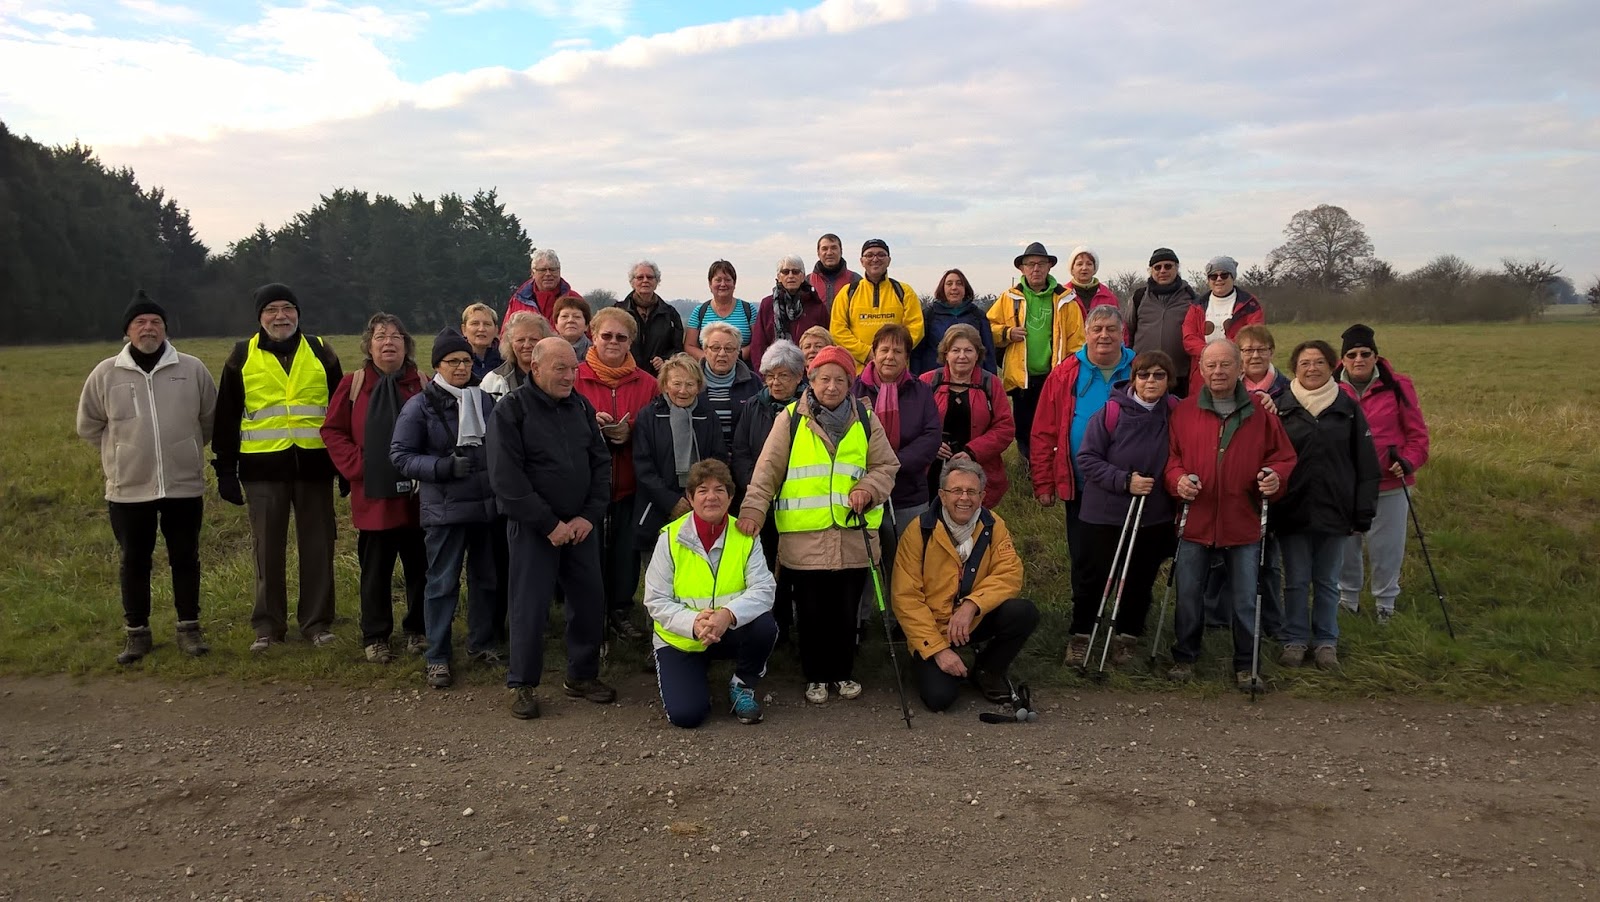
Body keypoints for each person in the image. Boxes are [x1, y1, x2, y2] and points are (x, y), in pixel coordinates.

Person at [736, 345, 899, 704]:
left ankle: (843, 673)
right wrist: (752, 511)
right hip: (803, 539)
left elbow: (887, 466)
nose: (831, 386)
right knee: (810, 614)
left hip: (853, 536)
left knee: (845, 611)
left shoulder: (867, 420)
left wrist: (868, 489)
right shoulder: (791, 418)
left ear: (850, 383)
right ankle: (815, 676)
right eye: (824, 378)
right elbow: (767, 471)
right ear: (811, 380)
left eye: (839, 379)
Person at [76, 290, 218, 664]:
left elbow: (210, 421)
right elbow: (89, 425)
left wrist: (185, 450)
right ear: (128, 331)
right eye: (140, 322)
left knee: (185, 558)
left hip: (183, 485)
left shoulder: (192, 368)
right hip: (128, 489)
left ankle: (189, 628)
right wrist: (121, 456)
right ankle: (137, 634)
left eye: (155, 322)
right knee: (134, 560)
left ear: (166, 329)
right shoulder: (106, 373)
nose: (148, 328)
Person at [487, 338, 616, 719]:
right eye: (560, 368)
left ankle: (582, 675)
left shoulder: (580, 406)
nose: (569, 375)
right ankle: (522, 683)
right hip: (533, 529)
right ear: (535, 367)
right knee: (530, 606)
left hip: (579, 528)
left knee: (590, 601)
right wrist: (548, 523)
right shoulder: (511, 410)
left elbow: (600, 464)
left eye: (573, 368)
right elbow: (506, 478)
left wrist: (588, 517)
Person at [213, 283, 343, 652]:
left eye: (287, 308)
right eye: (271, 310)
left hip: (315, 467)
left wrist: (346, 467)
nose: (280, 316)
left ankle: (317, 624)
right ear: (260, 317)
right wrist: (225, 470)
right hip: (262, 471)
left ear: (298, 313)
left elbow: (341, 412)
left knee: (318, 548)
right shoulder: (241, 356)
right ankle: (268, 628)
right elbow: (226, 417)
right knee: (266, 551)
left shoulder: (321, 352)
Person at [1165, 340, 1297, 690]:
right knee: (1189, 595)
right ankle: (1185, 658)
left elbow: (1283, 457)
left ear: (1240, 369)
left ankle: (1246, 664)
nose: (1218, 372)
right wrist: (1177, 480)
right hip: (1196, 519)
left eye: (1225, 365)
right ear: (1201, 370)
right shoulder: (1184, 410)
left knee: (1244, 598)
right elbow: (1172, 458)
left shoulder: (1260, 412)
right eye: (1211, 366)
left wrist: (1275, 477)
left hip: (1244, 520)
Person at [389, 330, 501, 689]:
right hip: (445, 511)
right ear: (437, 365)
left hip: (485, 508)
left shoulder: (483, 400)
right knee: (441, 583)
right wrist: (441, 468)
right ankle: (436, 655)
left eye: (466, 361)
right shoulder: (420, 405)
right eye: (453, 361)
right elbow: (400, 456)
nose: (461, 367)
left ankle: (481, 644)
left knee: (486, 580)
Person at [322, 313, 428, 664]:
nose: (388, 342)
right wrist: (359, 465)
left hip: (417, 500)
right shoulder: (353, 384)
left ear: (406, 344)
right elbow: (332, 431)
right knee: (375, 572)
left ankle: (419, 630)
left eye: (396, 336)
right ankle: (376, 635)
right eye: (381, 336)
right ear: (369, 344)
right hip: (373, 500)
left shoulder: (423, 384)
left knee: (420, 569)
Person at [892, 459, 1037, 711]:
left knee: (1023, 612)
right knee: (940, 699)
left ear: (982, 496)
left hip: (971, 620)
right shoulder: (919, 531)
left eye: (971, 491)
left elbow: (1010, 573)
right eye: (956, 491)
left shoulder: (994, 525)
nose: (964, 498)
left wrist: (972, 604)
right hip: (933, 628)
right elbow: (906, 598)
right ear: (942, 495)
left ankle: (987, 670)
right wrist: (938, 651)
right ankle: (927, 660)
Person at [644, 459, 778, 728]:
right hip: (680, 639)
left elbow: (764, 589)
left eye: (719, 490)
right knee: (687, 716)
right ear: (690, 498)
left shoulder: (746, 536)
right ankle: (695, 671)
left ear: (731, 497)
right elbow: (655, 600)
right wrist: (694, 623)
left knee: (765, 626)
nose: (711, 497)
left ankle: (742, 685)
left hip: (727, 629)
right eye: (702, 490)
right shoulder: (669, 538)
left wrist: (727, 615)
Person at [1274, 340, 1380, 670]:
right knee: (1294, 580)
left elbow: (1366, 465)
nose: (1312, 368)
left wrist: (1363, 511)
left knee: (1326, 581)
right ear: (1295, 368)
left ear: (1332, 366)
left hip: (1335, 509)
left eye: (1319, 362)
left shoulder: (1348, 407)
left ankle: (1325, 642)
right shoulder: (1281, 406)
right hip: (1292, 508)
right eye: (1305, 363)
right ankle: (1294, 639)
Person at [1030, 305, 1135, 639]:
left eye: (1111, 329)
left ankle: (1122, 623)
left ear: (1123, 333)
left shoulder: (1141, 368)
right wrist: (1044, 481)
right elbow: (1044, 430)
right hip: (1080, 482)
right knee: (1084, 555)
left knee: (1126, 555)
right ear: (1086, 333)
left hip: (1129, 485)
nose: (1104, 335)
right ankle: (1084, 626)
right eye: (1097, 329)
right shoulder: (1065, 373)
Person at [1070, 350, 1180, 666]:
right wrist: (1124, 481)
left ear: (1168, 380)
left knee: (1140, 579)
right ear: (1133, 378)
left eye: (1159, 375)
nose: (1150, 381)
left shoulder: (1175, 411)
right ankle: (1081, 636)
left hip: (1153, 513)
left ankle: (1127, 638)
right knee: (1093, 577)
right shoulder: (1110, 413)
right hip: (1104, 512)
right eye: (1144, 374)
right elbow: (1087, 460)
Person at [1334, 324, 1430, 624]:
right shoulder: (1330, 386)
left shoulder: (1398, 386)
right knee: (1346, 545)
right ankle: (1347, 600)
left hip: (1389, 482)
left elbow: (1418, 437)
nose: (1358, 360)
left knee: (1386, 547)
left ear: (1376, 356)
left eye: (1365, 353)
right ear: (1343, 359)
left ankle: (1385, 604)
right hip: (1346, 481)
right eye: (1351, 354)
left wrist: (1408, 461)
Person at [573, 307, 659, 640]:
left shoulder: (648, 383)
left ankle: (620, 610)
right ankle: (590, 615)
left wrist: (633, 430)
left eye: (621, 337)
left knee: (625, 554)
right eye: (606, 335)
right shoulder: (575, 376)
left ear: (631, 342)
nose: (613, 342)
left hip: (629, 483)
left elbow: (657, 426)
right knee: (587, 555)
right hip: (586, 487)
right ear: (592, 336)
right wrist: (588, 426)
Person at [731, 339, 806, 638]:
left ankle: (794, 623)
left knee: (793, 564)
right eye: (770, 376)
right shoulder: (754, 405)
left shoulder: (807, 409)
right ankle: (771, 624)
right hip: (761, 498)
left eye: (783, 375)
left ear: (799, 377)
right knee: (763, 562)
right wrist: (753, 483)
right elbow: (740, 450)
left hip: (797, 500)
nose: (776, 382)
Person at [853, 323, 942, 573]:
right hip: (864, 490)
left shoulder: (921, 391)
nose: (890, 356)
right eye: (884, 350)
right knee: (864, 562)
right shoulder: (854, 389)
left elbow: (931, 436)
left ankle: (900, 612)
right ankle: (864, 613)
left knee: (906, 564)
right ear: (873, 353)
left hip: (909, 490)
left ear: (907, 358)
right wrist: (875, 473)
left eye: (898, 351)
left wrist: (893, 466)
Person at [988, 242, 1082, 462]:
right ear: (1022, 269)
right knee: (1024, 425)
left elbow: (1078, 341)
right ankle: (1027, 466)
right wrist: (1007, 332)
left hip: (1055, 377)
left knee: (1053, 425)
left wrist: (1068, 373)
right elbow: (988, 328)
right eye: (1030, 264)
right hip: (1022, 378)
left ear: (1049, 267)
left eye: (1040, 264)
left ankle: (1052, 466)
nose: (1035, 269)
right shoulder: (1009, 298)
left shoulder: (1066, 299)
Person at [634, 353, 730, 556]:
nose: (683, 391)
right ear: (665, 384)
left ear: (698, 385)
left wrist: (699, 497)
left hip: (700, 505)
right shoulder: (648, 416)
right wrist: (671, 502)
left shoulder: (707, 415)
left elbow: (718, 460)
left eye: (690, 384)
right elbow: (644, 468)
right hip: (658, 506)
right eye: (677, 383)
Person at [920, 324, 1014, 508]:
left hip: (977, 467)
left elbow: (1005, 428)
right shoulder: (927, 382)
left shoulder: (991, 384)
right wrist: (931, 444)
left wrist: (973, 452)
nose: (962, 356)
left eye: (968, 350)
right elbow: (912, 423)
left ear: (978, 354)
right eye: (955, 350)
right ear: (945, 353)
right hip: (932, 470)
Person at [829, 239, 925, 365]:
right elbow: (837, 331)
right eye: (869, 255)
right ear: (862, 261)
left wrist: (890, 352)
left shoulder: (904, 292)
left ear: (889, 260)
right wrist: (866, 353)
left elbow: (916, 328)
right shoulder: (848, 292)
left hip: (895, 370)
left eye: (881, 254)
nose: (875, 259)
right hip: (858, 374)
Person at [1181, 256, 1264, 392]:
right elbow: (1189, 338)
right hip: (1202, 372)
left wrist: (1225, 355)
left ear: (1233, 277)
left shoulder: (1249, 303)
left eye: (1224, 275)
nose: (1219, 279)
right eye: (1213, 276)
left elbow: (1253, 336)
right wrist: (1211, 355)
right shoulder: (1197, 305)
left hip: (1238, 370)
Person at [1126, 248, 1199, 398]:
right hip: (1145, 374)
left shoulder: (1192, 298)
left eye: (1168, 266)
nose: (1162, 271)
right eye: (1157, 267)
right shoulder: (1139, 297)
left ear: (1177, 268)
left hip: (1180, 374)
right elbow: (1128, 331)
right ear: (1151, 270)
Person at [911, 268, 996, 376]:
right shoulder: (929, 315)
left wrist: (991, 383)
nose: (954, 287)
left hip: (970, 379)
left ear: (965, 289)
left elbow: (988, 353)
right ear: (942, 288)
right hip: (934, 380)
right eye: (949, 284)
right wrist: (915, 381)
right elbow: (917, 354)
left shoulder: (977, 315)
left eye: (959, 284)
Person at [751, 255, 828, 371]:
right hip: (775, 374)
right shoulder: (767, 305)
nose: (790, 276)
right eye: (785, 272)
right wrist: (763, 376)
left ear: (803, 277)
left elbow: (827, 343)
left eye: (796, 272)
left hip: (810, 373)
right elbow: (758, 345)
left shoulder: (816, 305)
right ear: (779, 277)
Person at [698, 321, 761, 448]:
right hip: (702, 459)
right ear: (705, 350)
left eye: (729, 348)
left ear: (738, 352)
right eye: (715, 348)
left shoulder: (753, 382)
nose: (722, 354)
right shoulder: (691, 381)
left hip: (742, 457)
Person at [617, 260, 683, 377]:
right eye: (640, 277)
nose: (645, 280)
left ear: (657, 282)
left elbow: (678, 348)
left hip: (658, 378)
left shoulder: (670, 314)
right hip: (625, 376)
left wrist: (665, 360)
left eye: (650, 277)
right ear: (632, 282)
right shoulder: (618, 312)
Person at [685, 260, 755, 361]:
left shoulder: (749, 310)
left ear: (734, 283)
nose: (723, 284)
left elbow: (757, 342)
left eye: (727, 280)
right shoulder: (699, 311)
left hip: (743, 371)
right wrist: (711, 359)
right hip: (706, 373)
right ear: (710, 284)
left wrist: (736, 357)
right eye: (718, 280)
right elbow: (689, 346)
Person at [480, 310, 553, 400]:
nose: (526, 345)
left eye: (533, 339)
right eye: (520, 340)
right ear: (510, 343)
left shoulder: (558, 375)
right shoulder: (494, 380)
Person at [506, 248, 581, 322]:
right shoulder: (518, 300)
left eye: (552, 269)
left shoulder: (575, 299)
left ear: (559, 271)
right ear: (533, 273)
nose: (548, 274)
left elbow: (588, 332)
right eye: (542, 270)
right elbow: (506, 332)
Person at [1062, 245, 1122, 324]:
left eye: (1089, 264)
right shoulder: (1062, 295)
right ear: (1072, 269)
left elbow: (1120, 329)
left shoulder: (1108, 297)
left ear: (1094, 269)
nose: (1084, 268)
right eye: (1079, 264)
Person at [809, 233, 857, 315]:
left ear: (841, 251)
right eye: (824, 249)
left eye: (834, 248)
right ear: (818, 253)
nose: (829, 253)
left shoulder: (856, 280)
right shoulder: (807, 282)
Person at [460, 303, 503, 379]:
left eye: (487, 324)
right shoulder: (453, 361)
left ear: (496, 330)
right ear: (464, 330)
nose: (481, 329)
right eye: (475, 324)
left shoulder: (507, 360)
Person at [552, 294, 593, 361]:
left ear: (586, 325)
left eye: (577, 317)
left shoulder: (595, 354)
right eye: (564, 316)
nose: (570, 320)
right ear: (556, 324)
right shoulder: (547, 350)